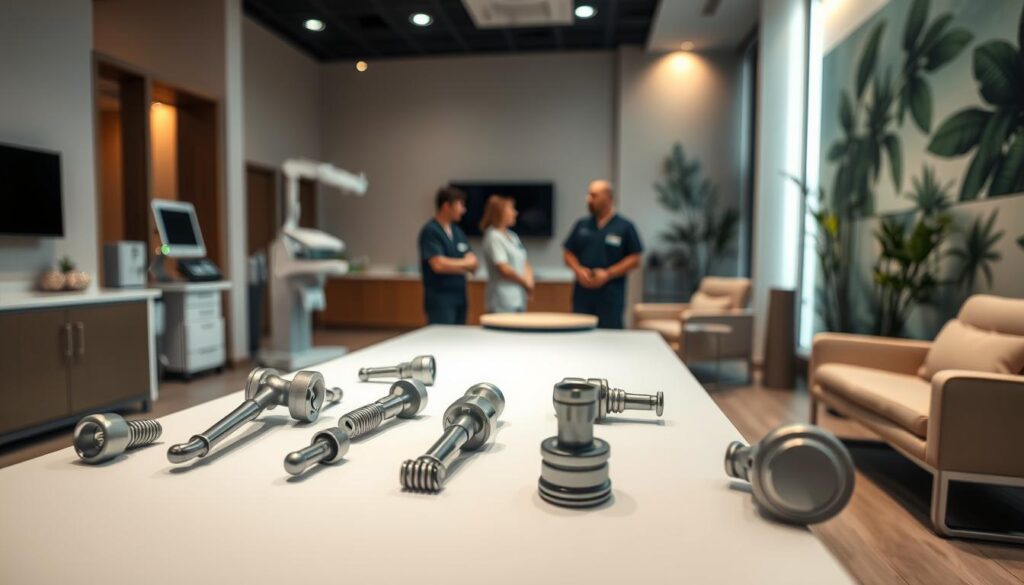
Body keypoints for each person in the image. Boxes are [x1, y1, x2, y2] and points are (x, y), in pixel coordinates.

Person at [562, 180, 643, 329]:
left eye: (594, 195)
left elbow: (635, 259)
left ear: (608, 198)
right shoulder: (582, 225)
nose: (588, 199)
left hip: (610, 295)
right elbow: (568, 253)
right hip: (583, 294)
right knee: (579, 332)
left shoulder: (624, 226)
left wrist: (607, 274)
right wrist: (578, 270)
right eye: (589, 195)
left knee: (609, 335)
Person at [418, 186, 478, 324]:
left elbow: (474, 263)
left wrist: (451, 264)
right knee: (442, 335)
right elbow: (438, 265)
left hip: (460, 296)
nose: (463, 210)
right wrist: (464, 265)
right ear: (446, 206)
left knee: (459, 335)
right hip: (440, 298)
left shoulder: (457, 231)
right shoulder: (431, 231)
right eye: (460, 205)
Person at [480, 195, 534, 313]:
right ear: (500, 213)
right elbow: (504, 268)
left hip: (519, 297)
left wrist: (529, 282)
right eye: (511, 209)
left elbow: (524, 261)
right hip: (501, 300)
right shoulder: (493, 236)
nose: (515, 213)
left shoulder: (513, 236)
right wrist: (525, 282)